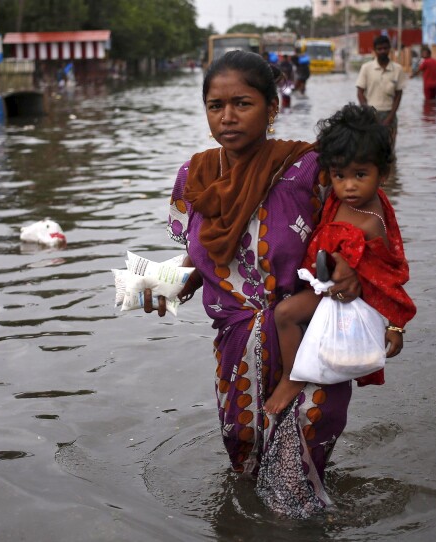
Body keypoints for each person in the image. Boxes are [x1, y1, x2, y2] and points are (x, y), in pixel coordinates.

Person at [143, 50, 362, 518]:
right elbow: (204, 260)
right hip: (235, 354)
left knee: (293, 492)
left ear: (272, 107)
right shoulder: (194, 178)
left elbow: (364, 234)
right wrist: (167, 284)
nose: (227, 117)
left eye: (242, 103)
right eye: (215, 106)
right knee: (246, 469)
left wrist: (353, 275)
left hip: (305, 346)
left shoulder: (310, 171)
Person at [264, 103, 416, 415]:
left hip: (343, 298)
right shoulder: (335, 197)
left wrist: (396, 326)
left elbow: (387, 277)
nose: (349, 186)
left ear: (383, 174)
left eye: (360, 175)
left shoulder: (371, 222)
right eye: (339, 175)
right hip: (322, 285)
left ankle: (292, 377)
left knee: (285, 314)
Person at [356, 35, 407, 146]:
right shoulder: (366, 68)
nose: (382, 51)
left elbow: (399, 95)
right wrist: (368, 112)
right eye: (379, 49)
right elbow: (360, 92)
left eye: (385, 48)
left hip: (390, 113)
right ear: (374, 51)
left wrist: (390, 117)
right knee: (370, 149)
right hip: (370, 115)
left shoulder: (397, 69)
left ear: (390, 49)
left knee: (389, 150)